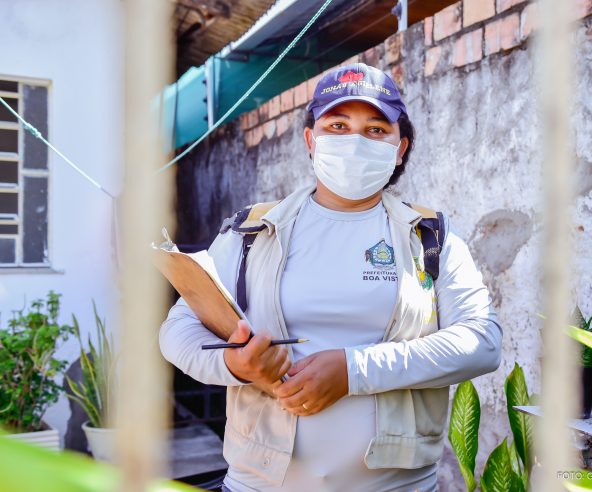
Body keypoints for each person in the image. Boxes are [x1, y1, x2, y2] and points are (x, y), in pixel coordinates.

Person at [159, 62, 503, 492]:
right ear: (311, 139)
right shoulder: (251, 232)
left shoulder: (429, 236)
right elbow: (178, 329)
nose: (355, 142)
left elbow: (482, 342)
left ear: (400, 148)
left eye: (376, 130)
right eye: (337, 125)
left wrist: (353, 371)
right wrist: (235, 365)